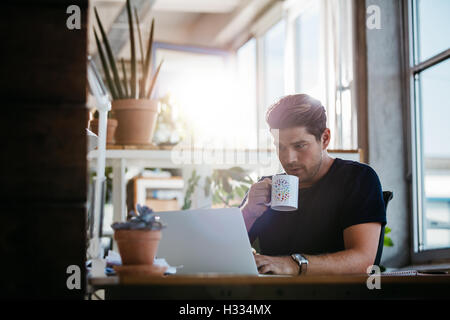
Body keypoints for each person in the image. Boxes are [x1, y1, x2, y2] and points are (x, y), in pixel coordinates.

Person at [240, 94, 386, 276]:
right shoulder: (267, 187)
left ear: (325, 139)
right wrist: (247, 212)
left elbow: (363, 260)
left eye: (300, 146)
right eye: (281, 147)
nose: (288, 159)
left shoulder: (357, 179)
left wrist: (293, 265)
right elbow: (222, 255)